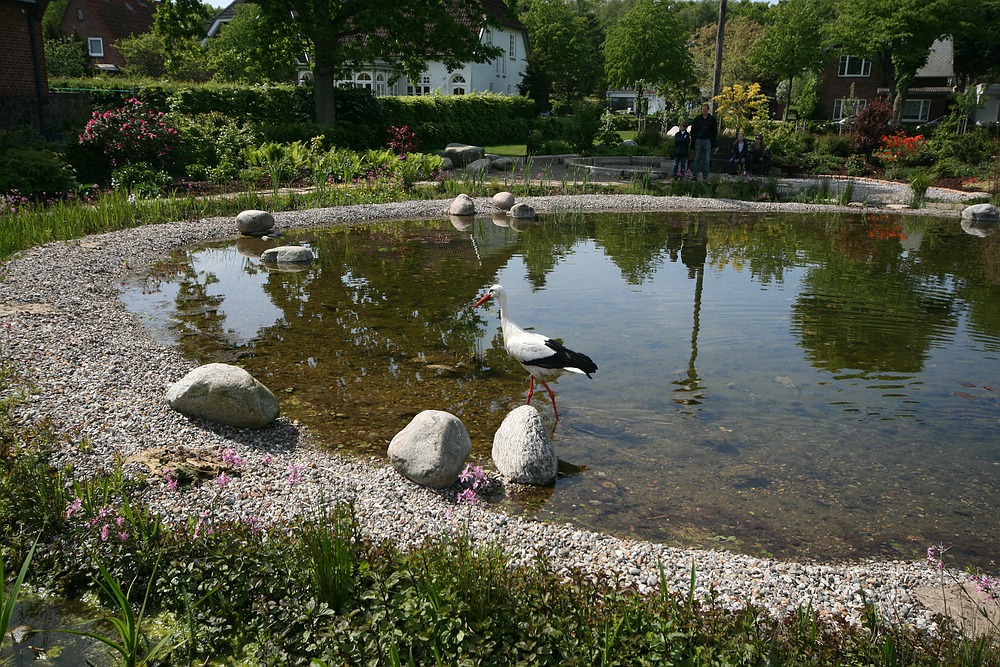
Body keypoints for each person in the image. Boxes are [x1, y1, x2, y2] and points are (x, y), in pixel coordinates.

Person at [690, 103, 717, 181]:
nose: (704, 111)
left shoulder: (712, 120)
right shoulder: (697, 119)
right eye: (702, 109)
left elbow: (714, 131)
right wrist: (694, 139)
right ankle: (695, 175)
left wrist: (713, 142)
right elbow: (693, 130)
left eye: (705, 109)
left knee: (707, 159)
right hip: (699, 140)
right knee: (696, 158)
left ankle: (705, 176)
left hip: (707, 140)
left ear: (708, 110)